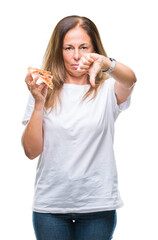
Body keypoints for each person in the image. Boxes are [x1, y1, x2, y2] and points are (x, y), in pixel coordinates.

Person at [22, 15, 137, 240]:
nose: (76, 56)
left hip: (97, 205)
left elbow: (131, 80)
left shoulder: (107, 90)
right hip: (50, 207)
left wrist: (107, 63)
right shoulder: (43, 90)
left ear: (95, 49)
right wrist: (38, 104)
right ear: (59, 50)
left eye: (84, 47)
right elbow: (31, 151)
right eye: (68, 48)